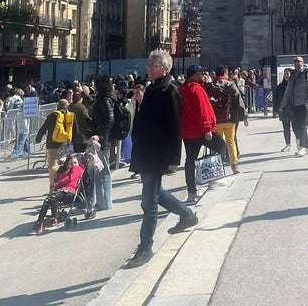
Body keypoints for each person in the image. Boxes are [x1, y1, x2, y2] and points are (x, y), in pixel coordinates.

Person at [125, 50, 199, 269]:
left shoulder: (170, 91)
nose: (148, 67)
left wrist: (174, 158)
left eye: (153, 64)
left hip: (157, 154)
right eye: (148, 63)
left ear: (165, 69)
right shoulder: (151, 89)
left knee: (148, 203)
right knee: (156, 193)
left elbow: (176, 127)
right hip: (146, 152)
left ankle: (145, 248)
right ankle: (187, 215)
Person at [181, 64, 219, 203]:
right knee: (221, 146)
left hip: (187, 132)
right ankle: (212, 178)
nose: (204, 75)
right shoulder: (197, 90)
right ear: (194, 75)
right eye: (201, 73)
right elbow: (202, 111)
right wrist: (207, 128)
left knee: (190, 160)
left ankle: (191, 191)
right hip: (200, 130)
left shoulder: (182, 89)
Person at [86, 76, 115, 219]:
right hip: (102, 139)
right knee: (101, 172)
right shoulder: (103, 100)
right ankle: (104, 202)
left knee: (102, 172)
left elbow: (110, 119)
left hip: (102, 141)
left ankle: (104, 203)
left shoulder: (104, 101)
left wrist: (100, 135)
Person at [33, 155, 84, 234]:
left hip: (69, 192)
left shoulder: (77, 168)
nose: (73, 165)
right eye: (71, 163)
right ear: (67, 165)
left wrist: (56, 185)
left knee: (50, 198)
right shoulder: (67, 172)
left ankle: (41, 222)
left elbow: (69, 179)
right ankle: (50, 219)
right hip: (61, 191)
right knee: (50, 198)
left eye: (75, 163)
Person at [209, 66, 247, 173]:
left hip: (216, 119)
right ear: (225, 73)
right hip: (230, 118)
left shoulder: (210, 86)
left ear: (215, 74)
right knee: (231, 141)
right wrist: (244, 116)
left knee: (217, 143)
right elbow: (239, 101)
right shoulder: (230, 85)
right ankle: (234, 165)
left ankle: (217, 166)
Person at [35, 99, 78, 187]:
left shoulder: (53, 115)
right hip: (66, 143)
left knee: (53, 164)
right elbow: (75, 130)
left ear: (58, 106)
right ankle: (67, 183)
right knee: (68, 164)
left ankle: (52, 185)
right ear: (67, 106)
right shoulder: (70, 116)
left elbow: (44, 127)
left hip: (53, 143)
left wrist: (38, 138)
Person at [281, 56, 308, 156]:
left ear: (302, 62)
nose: (296, 63)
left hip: (303, 104)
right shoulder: (293, 74)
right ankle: (303, 146)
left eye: (298, 61)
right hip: (294, 104)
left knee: (302, 126)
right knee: (296, 126)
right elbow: (288, 90)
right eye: (295, 61)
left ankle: (304, 147)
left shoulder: (307, 73)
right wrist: (283, 104)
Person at [5, 88, 32, 159]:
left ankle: (15, 154)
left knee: (21, 137)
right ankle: (27, 152)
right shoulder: (21, 99)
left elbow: (7, 108)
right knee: (25, 136)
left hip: (19, 120)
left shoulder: (10, 99)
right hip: (22, 120)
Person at [274, 69, 294, 152]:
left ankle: (300, 143)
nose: (286, 75)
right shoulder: (280, 86)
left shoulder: (294, 85)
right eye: (285, 74)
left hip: (293, 110)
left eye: (288, 74)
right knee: (286, 128)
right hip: (284, 110)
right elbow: (276, 99)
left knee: (296, 128)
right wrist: (277, 110)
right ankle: (288, 144)